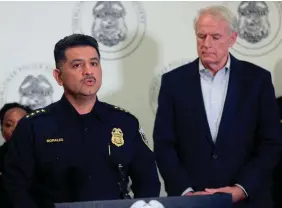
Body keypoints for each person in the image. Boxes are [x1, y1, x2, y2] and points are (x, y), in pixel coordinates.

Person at [3, 34, 160, 208]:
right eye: (77, 65)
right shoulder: (34, 126)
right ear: (58, 76)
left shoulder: (125, 123)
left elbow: (148, 182)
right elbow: (15, 187)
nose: (88, 71)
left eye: (94, 63)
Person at [153, 5, 282, 208]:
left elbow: (271, 143)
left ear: (232, 39)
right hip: (192, 201)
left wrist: (242, 189)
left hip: (249, 201)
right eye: (201, 36)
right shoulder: (173, 82)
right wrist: (185, 193)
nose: (206, 44)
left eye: (215, 37)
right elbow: (164, 144)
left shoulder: (257, 80)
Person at [0, 102, 31, 208]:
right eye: (9, 125)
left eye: (21, 124)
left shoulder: (42, 157)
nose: (14, 130)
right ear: (2, 129)